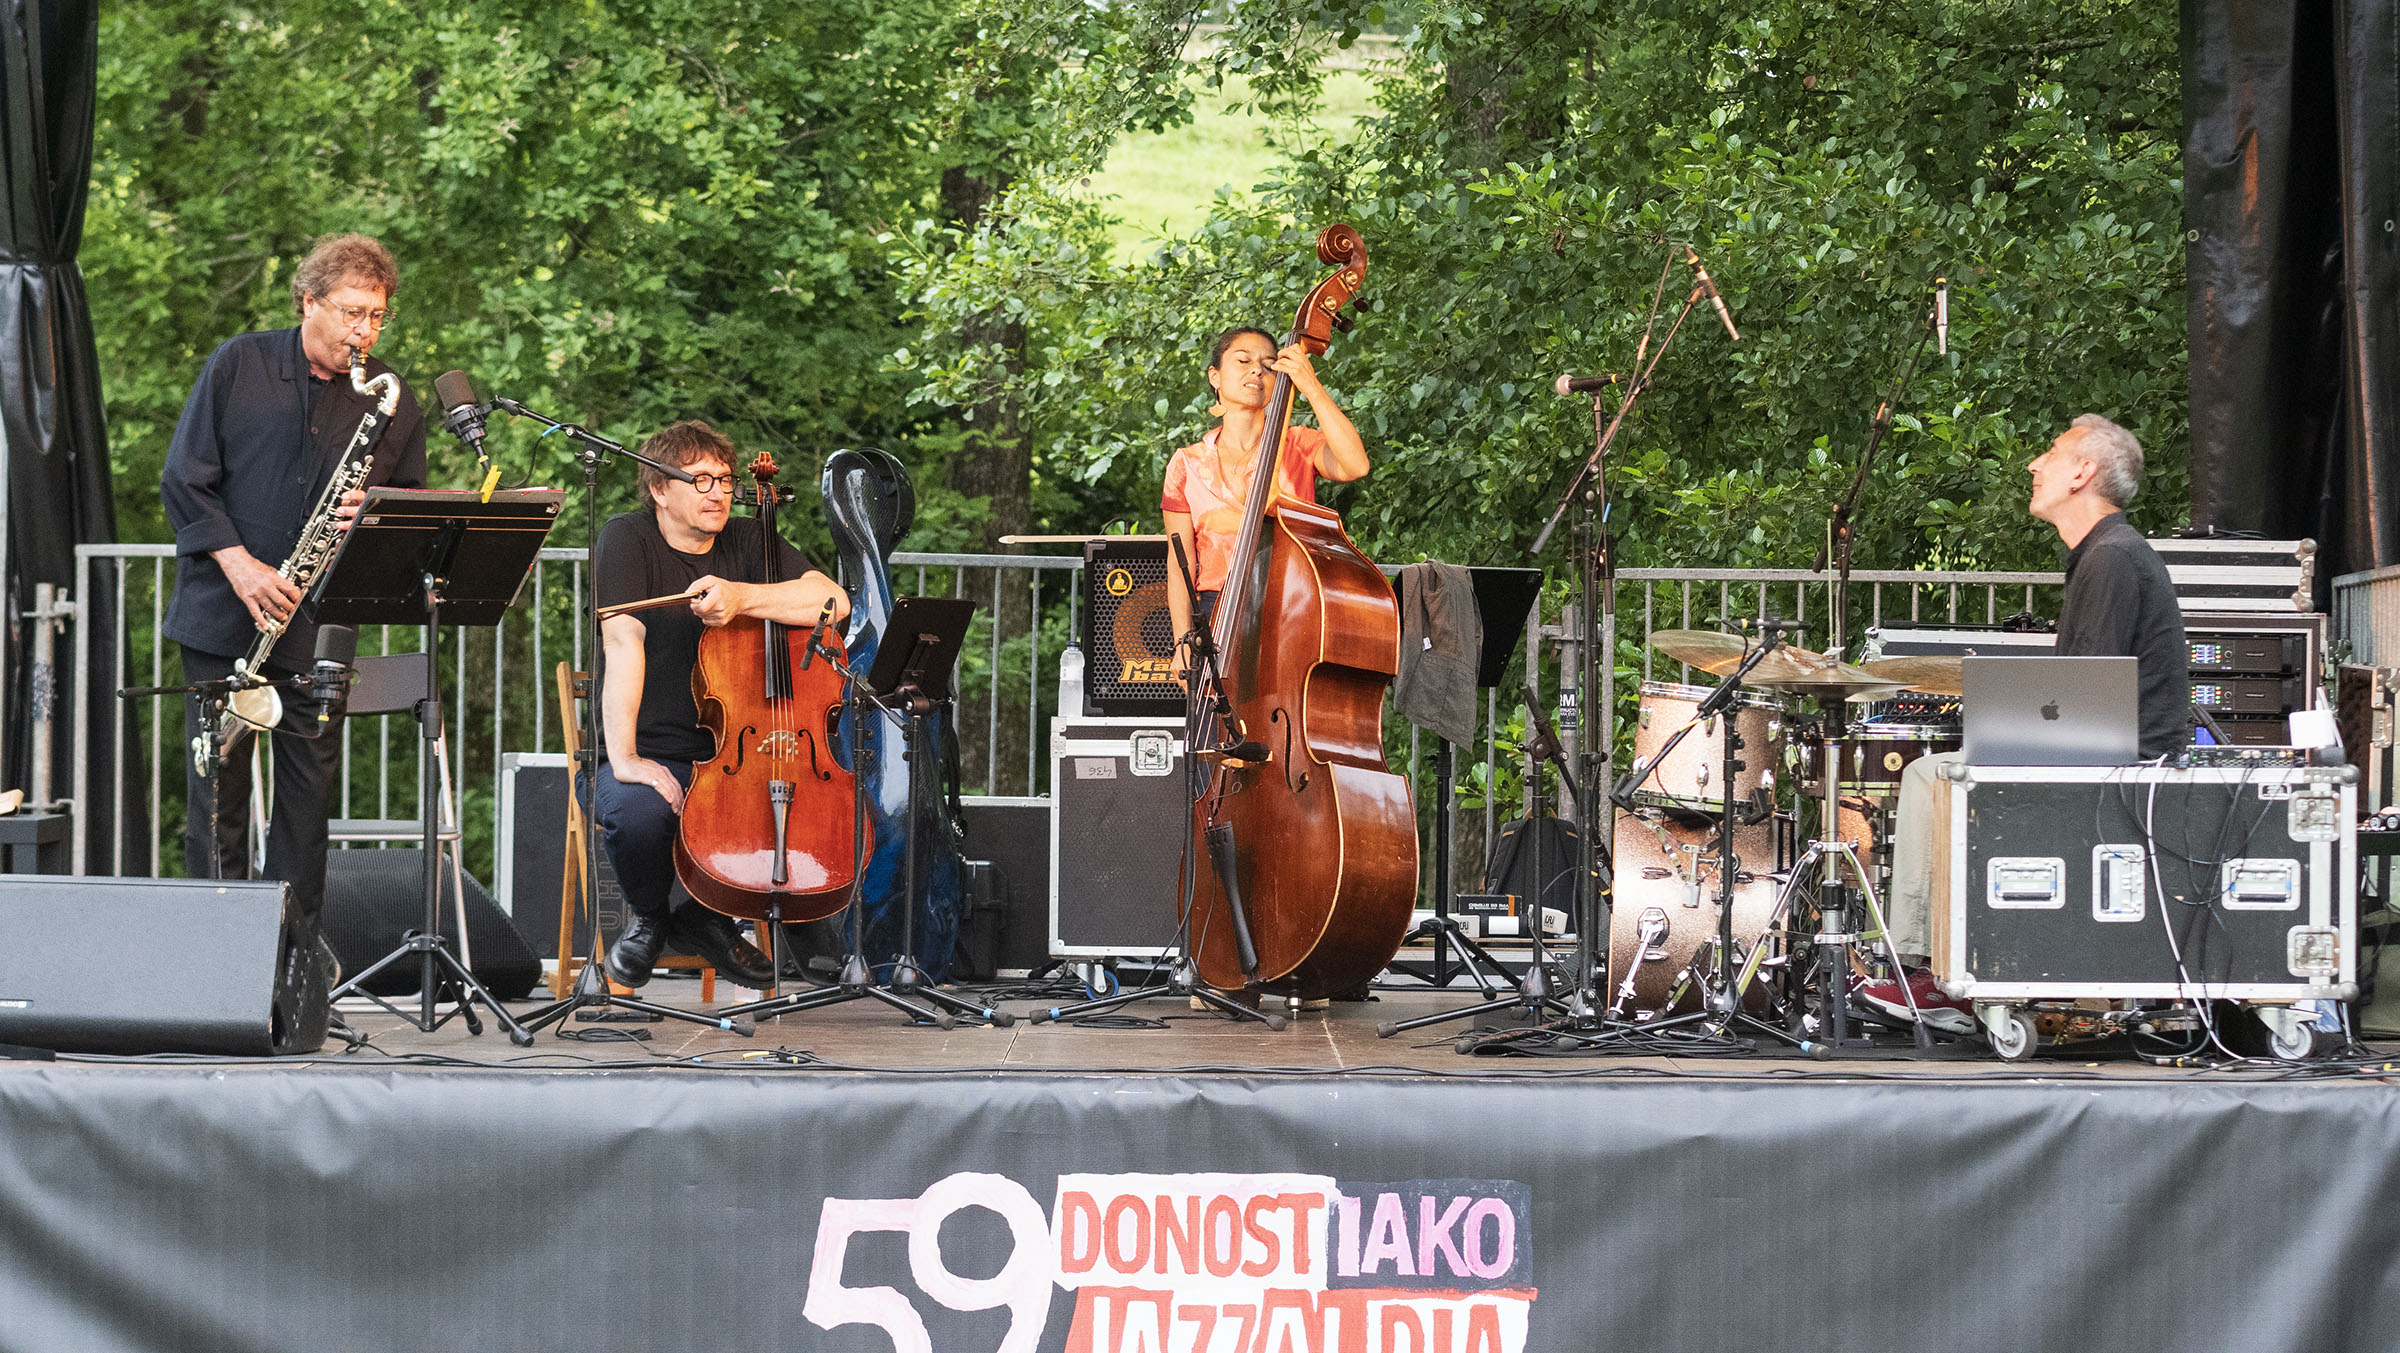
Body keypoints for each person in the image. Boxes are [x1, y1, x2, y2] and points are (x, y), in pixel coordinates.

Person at [1862, 414, 2191, 1029]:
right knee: (1944, 768)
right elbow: (2083, 697)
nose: (2033, 465)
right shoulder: (2109, 553)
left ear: (2082, 473)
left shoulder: (2111, 559)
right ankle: (1955, 966)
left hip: (2123, 768)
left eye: (2051, 453)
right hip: (2116, 753)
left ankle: (1934, 975)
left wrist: (2002, 727)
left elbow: (2085, 702)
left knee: (1929, 777)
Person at [161, 232, 428, 963]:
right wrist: (240, 565)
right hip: (226, 615)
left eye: (377, 317)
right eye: (350, 312)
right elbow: (184, 479)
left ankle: (294, 964)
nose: (363, 331)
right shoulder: (239, 364)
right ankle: (215, 963)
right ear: (307, 300)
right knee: (217, 796)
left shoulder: (391, 401)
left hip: (320, 627)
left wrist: (375, 510)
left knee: (308, 808)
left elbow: (408, 512)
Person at [593, 420, 852, 990]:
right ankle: (661, 919)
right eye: (701, 479)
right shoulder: (627, 538)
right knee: (639, 816)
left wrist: (747, 598)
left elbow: (834, 601)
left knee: (822, 811)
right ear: (659, 488)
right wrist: (628, 759)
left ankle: (727, 919)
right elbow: (622, 643)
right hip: (656, 747)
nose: (718, 493)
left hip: (752, 751)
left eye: (726, 481)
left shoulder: (749, 541)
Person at [1162, 326, 1371, 675]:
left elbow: (1355, 465)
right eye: (1243, 360)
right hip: (1216, 612)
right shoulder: (1186, 463)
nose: (1257, 370)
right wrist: (1182, 640)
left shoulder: (1298, 445)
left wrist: (1311, 387)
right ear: (1215, 376)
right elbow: (1178, 562)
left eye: (1269, 365)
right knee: (1212, 726)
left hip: (1290, 609)